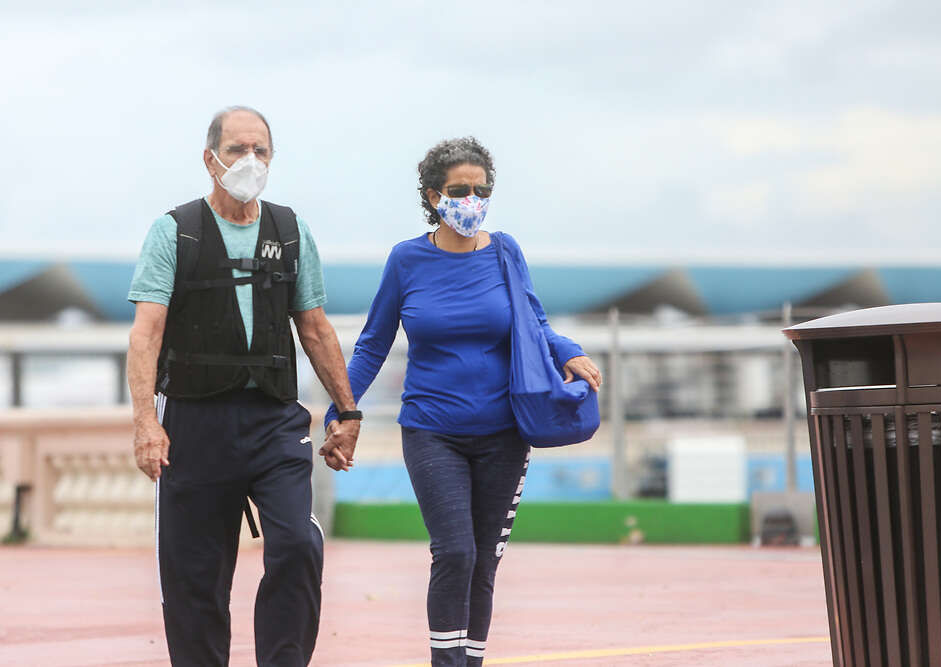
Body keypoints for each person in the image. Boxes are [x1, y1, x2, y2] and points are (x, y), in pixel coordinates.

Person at [320, 136, 602, 666]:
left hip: (505, 432)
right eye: (458, 190)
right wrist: (341, 408)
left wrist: (568, 351)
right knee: (455, 552)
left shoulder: (505, 251)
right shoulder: (406, 260)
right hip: (432, 430)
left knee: (484, 562)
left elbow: (533, 319)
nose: (470, 200)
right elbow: (374, 344)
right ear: (432, 196)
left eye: (480, 190)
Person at [126, 106, 360, 666]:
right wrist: (145, 423)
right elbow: (146, 334)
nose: (249, 160)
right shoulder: (174, 231)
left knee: (300, 545)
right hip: (193, 421)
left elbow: (315, 327)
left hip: (272, 421)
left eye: (260, 150)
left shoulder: (290, 229)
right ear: (210, 159)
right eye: (237, 149)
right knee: (195, 579)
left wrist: (347, 413)